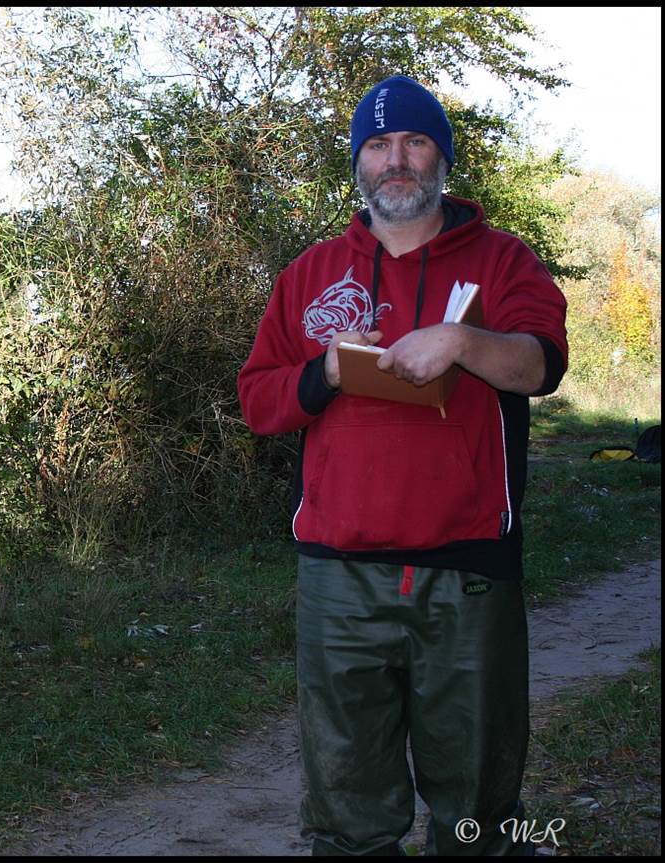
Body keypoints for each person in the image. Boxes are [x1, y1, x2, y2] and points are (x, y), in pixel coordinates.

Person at [237, 76, 568, 855]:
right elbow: (259, 402)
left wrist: (461, 343)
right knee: (346, 796)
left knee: (476, 801)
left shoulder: (501, 260)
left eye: (415, 142)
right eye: (378, 146)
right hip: (337, 574)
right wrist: (324, 370)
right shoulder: (312, 274)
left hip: (465, 567)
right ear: (358, 162)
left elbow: (538, 366)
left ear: (440, 158)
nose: (396, 160)